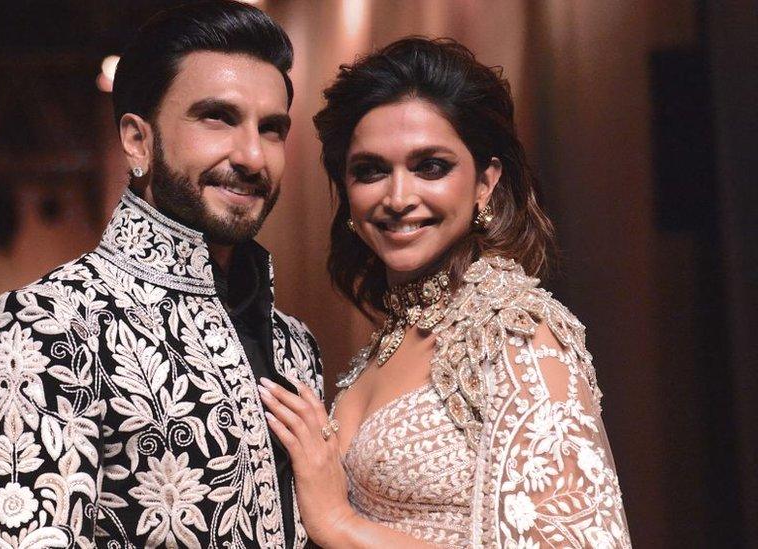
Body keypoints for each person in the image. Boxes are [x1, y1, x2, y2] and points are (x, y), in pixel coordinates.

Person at [0, 2, 324, 547]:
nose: (252, 155)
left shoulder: (296, 344)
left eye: (271, 129)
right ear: (137, 140)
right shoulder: (47, 324)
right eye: (217, 117)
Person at [257, 37, 632, 548]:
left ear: (485, 181)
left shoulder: (515, 332)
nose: (398, 197)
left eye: (430, 166)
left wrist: (339, 526)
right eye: (370, 170)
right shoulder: (392, 336)